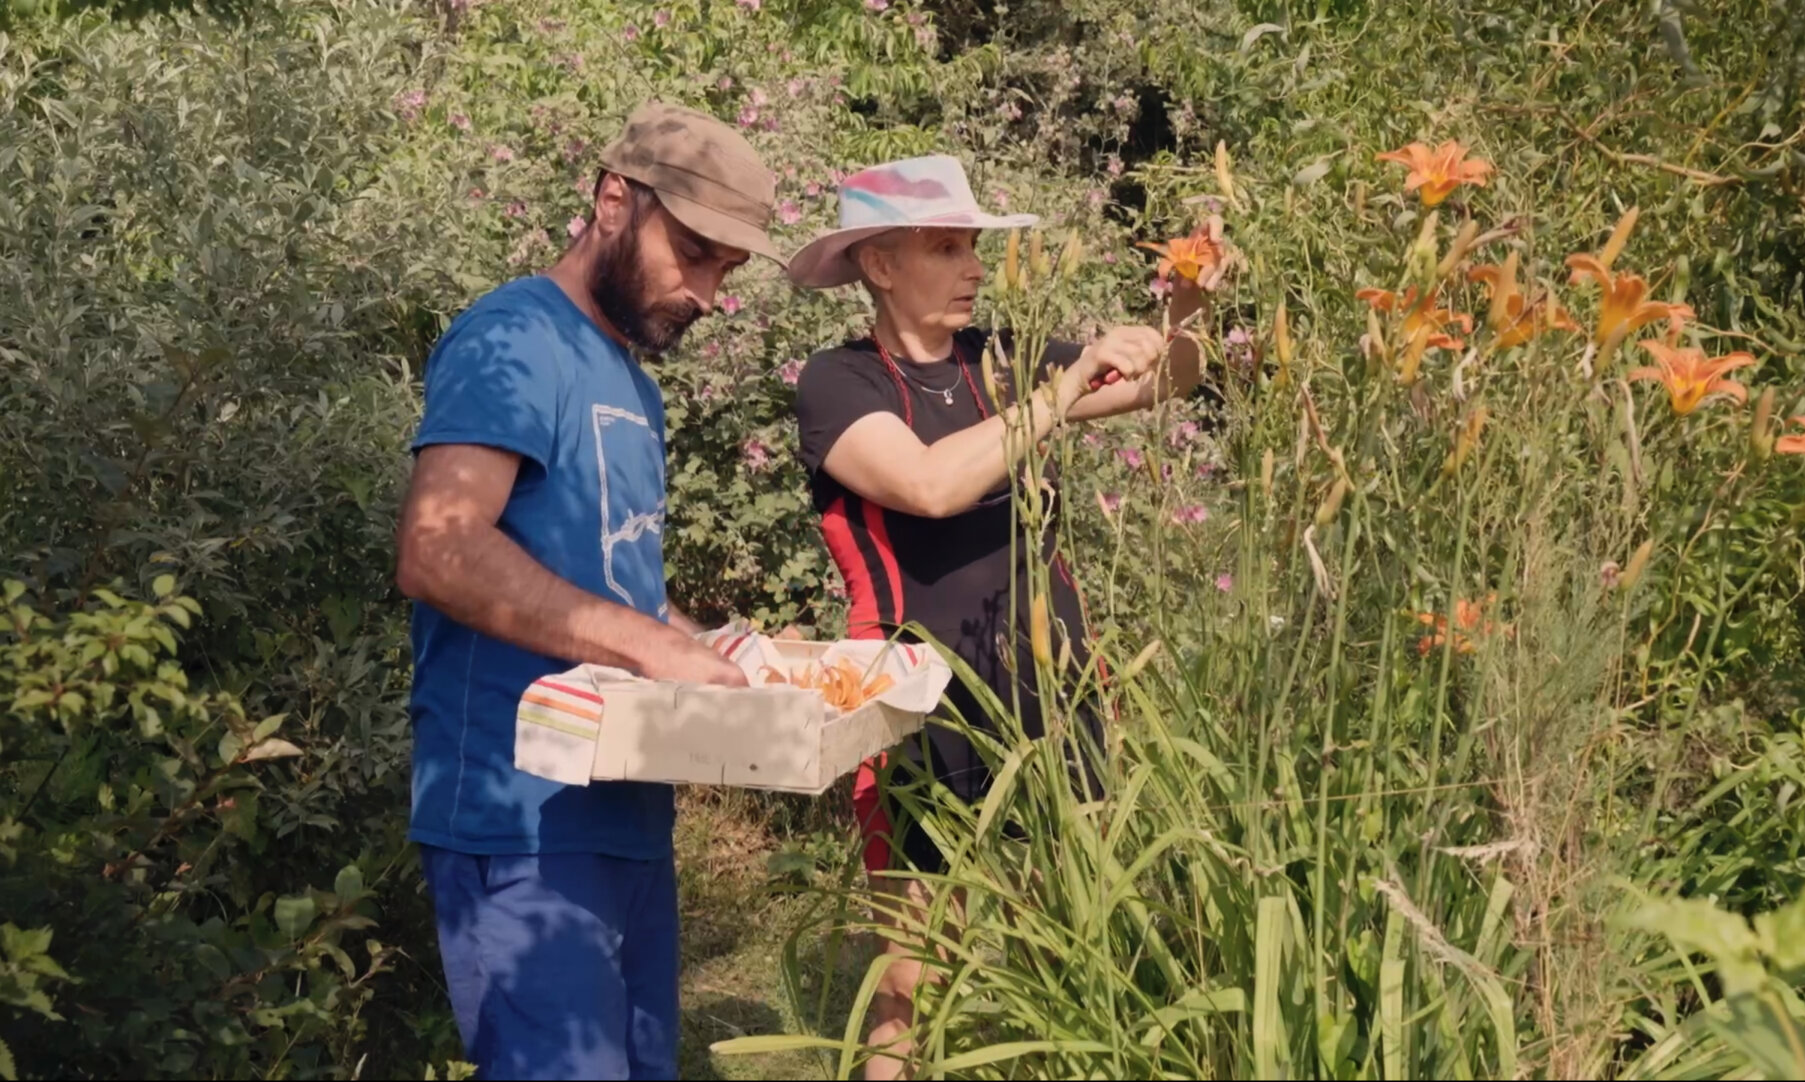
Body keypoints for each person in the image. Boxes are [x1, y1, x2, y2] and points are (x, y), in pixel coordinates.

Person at [785, 154, 1222, 1079]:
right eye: (947, 248)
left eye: (974, 247)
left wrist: (1187, 303)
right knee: (914, 978)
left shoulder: (1005, 358)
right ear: (879, 266)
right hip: (917, 704)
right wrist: (1068, 386)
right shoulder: (838, 383)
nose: (974, 268)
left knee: (1070, 938)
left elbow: (1170, 381)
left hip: (1054, 693)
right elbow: (929, 486)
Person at [393, 102, 783, 1081]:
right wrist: (654, 647)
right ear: (614, 200)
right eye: (692, 254)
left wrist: (715, 648)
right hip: (521, 822)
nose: (707, 293)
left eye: (727, 270)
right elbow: (439, 549)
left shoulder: (634, 383)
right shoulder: (514, 336)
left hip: (625, 811)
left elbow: (616, 583)